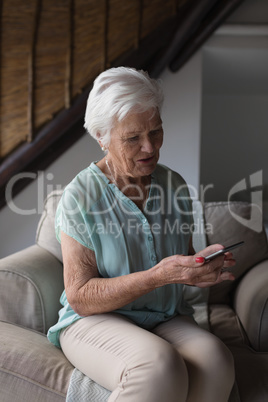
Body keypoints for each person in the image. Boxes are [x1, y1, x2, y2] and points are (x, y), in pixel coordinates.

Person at [48, 66, 235, 402]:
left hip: (164, 316)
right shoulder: (80, 196)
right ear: (102, 138)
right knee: (159, 365)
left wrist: (198, 269)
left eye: (156, 131)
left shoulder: (174, 185)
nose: (150, 147)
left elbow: (182, 259)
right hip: (96, 321)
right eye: (133, 138)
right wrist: (156, 277)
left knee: (217, 361)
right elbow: (80, 295)